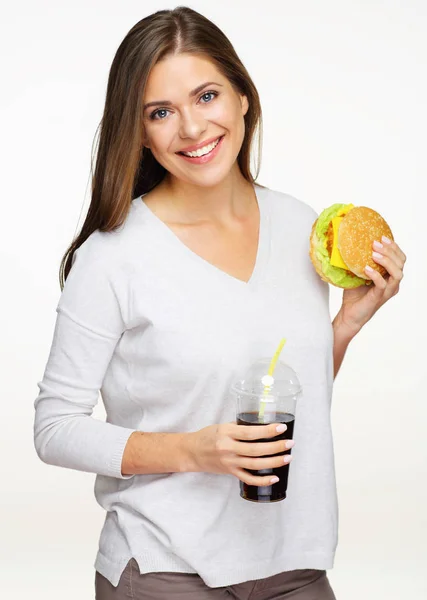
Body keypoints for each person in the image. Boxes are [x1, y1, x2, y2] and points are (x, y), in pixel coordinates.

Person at [33, 7, 406, 600]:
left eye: (206, 96)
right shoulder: (113, 257)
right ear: (139, 131)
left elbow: (279, 390)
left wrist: (343, 327)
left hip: (294, 558)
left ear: (242, 98)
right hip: (164, 565)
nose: (190, 128)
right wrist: (192, 451)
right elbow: (54, 429)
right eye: (160, 112)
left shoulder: (299, 228)